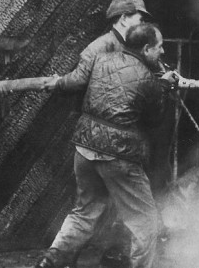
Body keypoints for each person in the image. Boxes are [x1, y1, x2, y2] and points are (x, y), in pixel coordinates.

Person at [34, 23, 180, 268]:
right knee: (146, 222)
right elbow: (154, 120)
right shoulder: (149, 81)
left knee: (84, 212)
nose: (163, 52)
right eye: (159, 47)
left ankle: (49, 263)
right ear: (145, 49)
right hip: (119, 155)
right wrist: (164, 86)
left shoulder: (100, 59)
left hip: (85, 149)